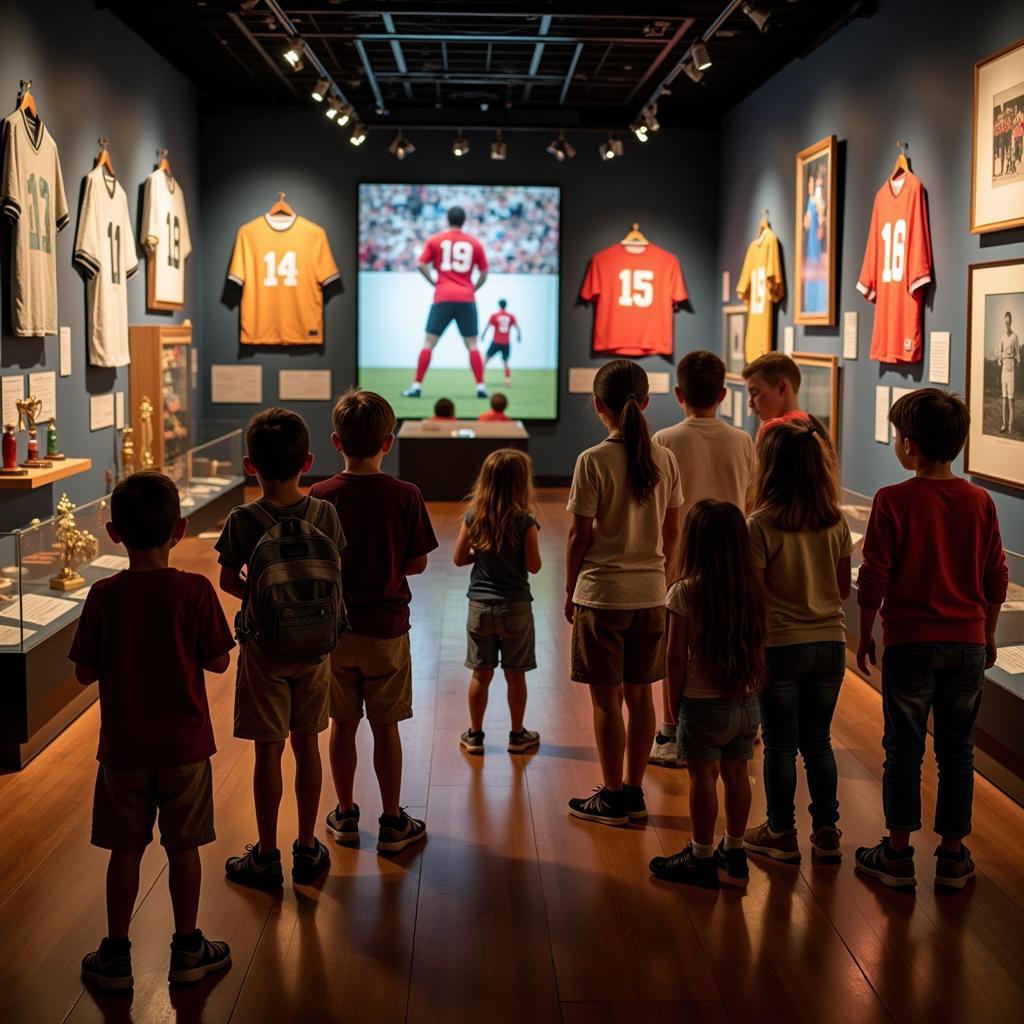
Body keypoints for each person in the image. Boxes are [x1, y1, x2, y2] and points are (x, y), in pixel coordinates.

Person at [71, 471, 235, 991]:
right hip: (185, 746)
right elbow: (217, 662)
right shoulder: (195, 590)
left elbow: (83, 671)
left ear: (113, 533)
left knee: (126, 848)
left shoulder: (102, 595)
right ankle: (188, 948)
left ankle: (116, 953)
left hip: (122, 749)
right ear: (180, 529)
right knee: (183, 847)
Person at [854, 390, 1007, 891]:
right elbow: (995, 577)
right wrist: (987, 633)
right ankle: (952, 855)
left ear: (909, 446)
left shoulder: (892, 500)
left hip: (910, 643)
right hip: (965, 644)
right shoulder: (979, 501)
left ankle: (896, 854)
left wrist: (864, 633)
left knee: (903, 748)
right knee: (958, 752)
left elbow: (874, 576)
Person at [216, 409, 346, 888]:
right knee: (307, 745)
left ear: (250, 465)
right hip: (316, 651)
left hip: (264, 652)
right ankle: (308, 848)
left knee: (267, 752)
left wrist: (263, 599)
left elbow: (230, 581)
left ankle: (266, 854)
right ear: (308, 461)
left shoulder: (243, 519)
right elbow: (336, 576)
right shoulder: (325, 514)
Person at [310, 389, 437, 852]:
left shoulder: (320, 495)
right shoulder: (406, 494)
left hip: (335, 632)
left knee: (343, 725)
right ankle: (391, 819)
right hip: (386, 629)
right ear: (389, 440)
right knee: (387, 727)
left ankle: (344, 814)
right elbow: (417, 564)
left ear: (335, 440)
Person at [565, 359, 684, 826]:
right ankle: (634, 792)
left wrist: (569, 588)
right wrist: (664, 578)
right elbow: (672, 533)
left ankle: (613, 795)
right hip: (651, 595)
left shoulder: (591, 461)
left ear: (598, 406)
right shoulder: (666, 459)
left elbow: (578, 536)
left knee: (606, 702)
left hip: (602, 597)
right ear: (647, 402)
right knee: (641, 700)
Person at [743, 419, 852, 863]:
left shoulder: (761, 524)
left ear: (770, 468)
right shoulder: (836, 522)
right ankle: (827, 830)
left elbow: (753, 596)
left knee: (780, 743)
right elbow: (844, 590)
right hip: (830, 642)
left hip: (781, 644)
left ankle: (781, 831)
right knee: (818, 741)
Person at [649, 500, 766, 887]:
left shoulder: (683, 592)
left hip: (702, 704)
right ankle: (734, 851)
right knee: (737, 775)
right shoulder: (752, 590)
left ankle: (700, 855)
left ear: (693, 543)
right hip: (746, 701)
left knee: (703, 779)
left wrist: (675, 705)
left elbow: (675, 658)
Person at [648, 351, 754, 767]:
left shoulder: (665, 440)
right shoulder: (743, 440)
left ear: (678, 394)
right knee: (732, 638)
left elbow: (659, 507)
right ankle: (741, 720)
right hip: (733, 558)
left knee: (675, 646)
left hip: (682, 559)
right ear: (724, 395)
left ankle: (671, 728)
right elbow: (750, 500)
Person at [454, 448, 542, 755]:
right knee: (515, 676)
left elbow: (458, 558)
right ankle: (517, 735)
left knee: (481, 673)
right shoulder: (525, 521)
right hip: (516, 607)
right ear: (521, 483)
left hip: (479, 607)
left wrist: (482, 555)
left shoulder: (473, 517)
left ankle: (475, 735)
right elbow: (534, 565)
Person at [402, 205, 490, 400]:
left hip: (442, 296)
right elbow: (484, 273)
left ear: (447, 220)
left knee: (429, 342)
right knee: (473, 344)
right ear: (464, 221)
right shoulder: (474, 243)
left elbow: (420, 264)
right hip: (467, 298)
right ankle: (481, 387)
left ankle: (416, 386)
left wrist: (434, 281)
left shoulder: (436, 240)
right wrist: (473, 288)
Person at [742, 353, 810, 434]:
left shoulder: (771, 430)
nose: (750, 403)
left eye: (755, 393)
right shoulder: (812, 424)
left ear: (782, 388)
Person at [481, 298, 521, 388]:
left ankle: (480, 379)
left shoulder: (495, 315)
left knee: (486, 359)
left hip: (496, 342)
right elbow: (517, 327)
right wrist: (519, 336)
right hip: (506, 343)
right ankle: (508, 381)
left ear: (499, 305)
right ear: (506, 305)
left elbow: (487, 326)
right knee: (506, 362)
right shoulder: (511, 316)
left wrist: (483, 335)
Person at [998, 310, 1020, 434]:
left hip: (1011, 370)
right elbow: (1000, 354)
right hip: (1003, 371)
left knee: (1011, 399)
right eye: (1005, 322)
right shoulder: (1002, 337)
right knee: (1004, 399)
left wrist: (1016, 362)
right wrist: (1000, 360)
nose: (1007, 324)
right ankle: (1004, 424)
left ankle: (1011, 426)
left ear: (1011, 322)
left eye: (1009, 322)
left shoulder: (1015, 336)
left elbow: (1018, 354)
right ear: (1004, 322)